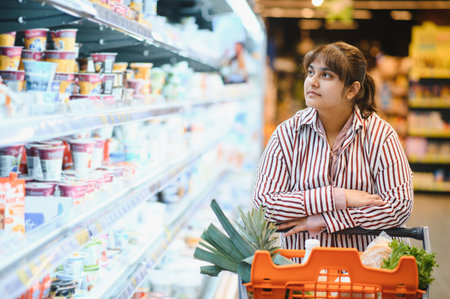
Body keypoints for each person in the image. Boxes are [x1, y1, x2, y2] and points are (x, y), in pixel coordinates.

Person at [252, 41, 413, 252]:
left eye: (326, 75)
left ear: (352, 89)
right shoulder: (286, 135)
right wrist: (339, 197)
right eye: (311, 72)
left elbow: (399, 205)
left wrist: (328, 219)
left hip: (363, 273)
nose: (312, 82)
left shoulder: (381, 136)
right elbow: (264, 205)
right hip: (301, 270)